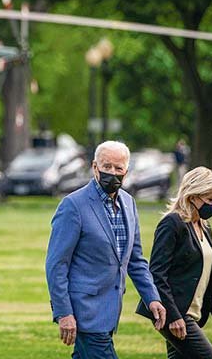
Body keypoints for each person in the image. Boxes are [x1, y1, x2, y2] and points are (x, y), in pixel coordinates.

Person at [46, 140, 166, 358]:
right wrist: (64, 313)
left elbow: (135, 260)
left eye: (118, 168)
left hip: (111, 311)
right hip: (85, 314)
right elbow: (56, 265)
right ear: (94, 167)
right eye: (106, 166)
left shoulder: (129, 204)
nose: (112, 172)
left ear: (126, 171)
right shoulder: (73, 205)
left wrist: (152, 298)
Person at [136, 166, 212, 358]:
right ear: (192, 196)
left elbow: (207, 278)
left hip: (191, 314)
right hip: (174, 313)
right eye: (210, 200)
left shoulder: (204, 226)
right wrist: (174, 316)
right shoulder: (172, 224)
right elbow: (157, 274)